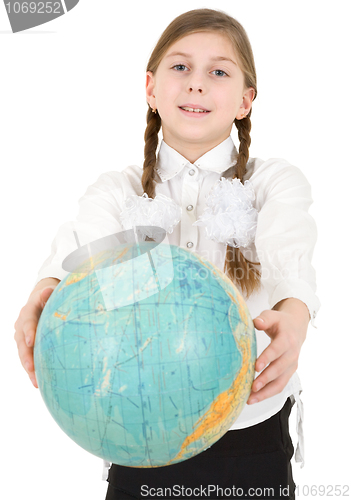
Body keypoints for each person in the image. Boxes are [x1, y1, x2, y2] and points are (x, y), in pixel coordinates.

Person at [14, 8, 320, 500]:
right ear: (151, 89)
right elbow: (82, 253)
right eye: (180, 67)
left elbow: (291, 251)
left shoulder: (272, 182)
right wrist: (47, 288)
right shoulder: (117, 191)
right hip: (138, 433)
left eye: (218, 71)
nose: (196, 84)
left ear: (245, 101)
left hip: (252, 433)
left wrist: (296, 312)